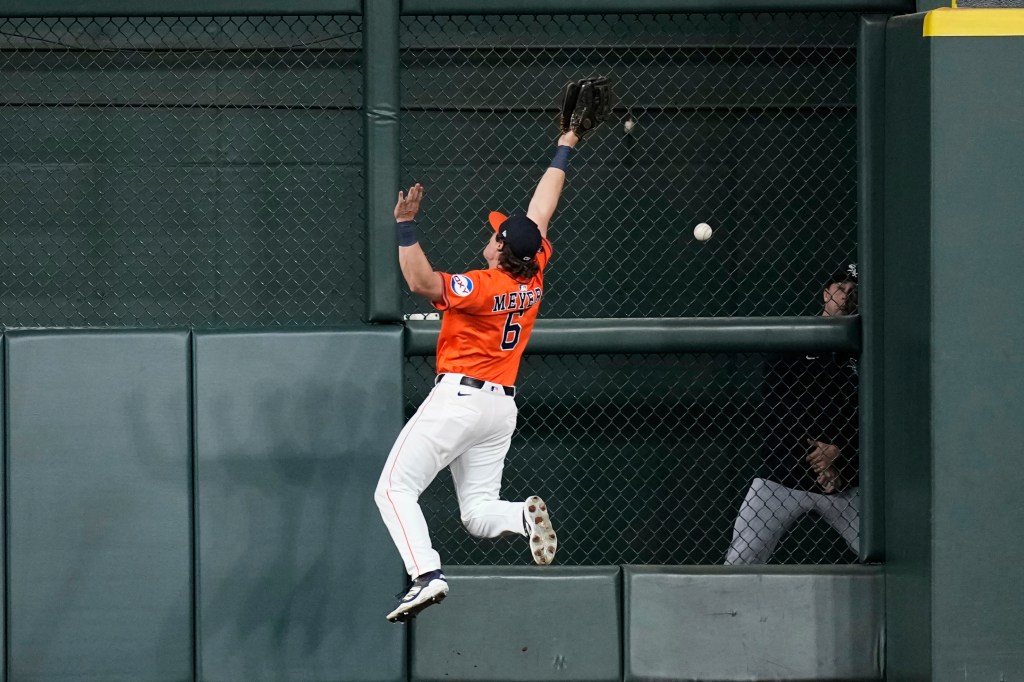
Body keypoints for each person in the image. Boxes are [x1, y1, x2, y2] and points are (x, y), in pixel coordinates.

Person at [374, 129, 581, 623]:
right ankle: (520, 516)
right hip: (500, 408)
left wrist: (406, 225)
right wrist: (566, 144)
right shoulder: (534, 271)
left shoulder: (483, 285)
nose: (488, 236)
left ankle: (426, 575)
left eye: (494, 234)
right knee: (478, 513)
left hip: (460, 401)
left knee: (393, 491)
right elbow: (543, 209)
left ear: (498, 249)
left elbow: (422, 281)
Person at [724, 263, 860, 565]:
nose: (846, 297)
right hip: (783, 474)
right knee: (739, 563)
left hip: (845, 479)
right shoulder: (795, 338)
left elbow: (869, 411)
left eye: (854, 292)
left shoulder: (867, 349)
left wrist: (839, 452)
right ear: (826, 294)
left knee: (887, 559)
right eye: (840, 289)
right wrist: (819, 456)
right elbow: (779, 405)